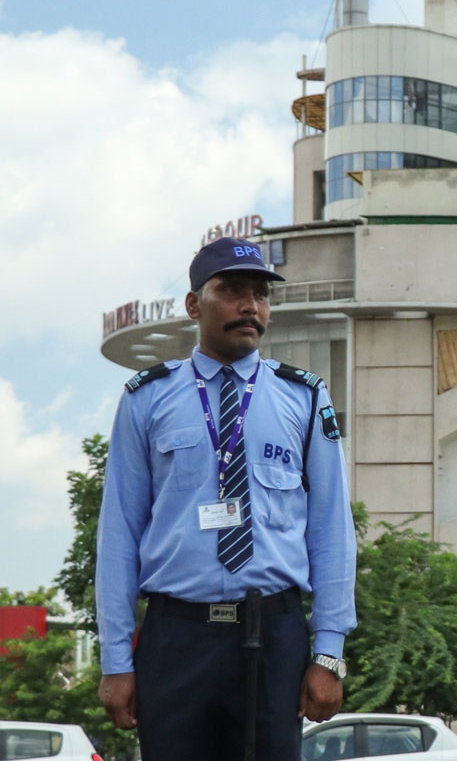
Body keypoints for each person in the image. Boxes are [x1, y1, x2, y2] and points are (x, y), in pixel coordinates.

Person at [96, 237, 357, 761]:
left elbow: (331, 529)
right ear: (195, 304)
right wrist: (115, 660)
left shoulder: (303, 397)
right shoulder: (147, 397)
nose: (250, 306)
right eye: (232, 291)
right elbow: (119, 534)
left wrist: (328, 653)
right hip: (176, 636)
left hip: (273, 634)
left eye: (260, 294)